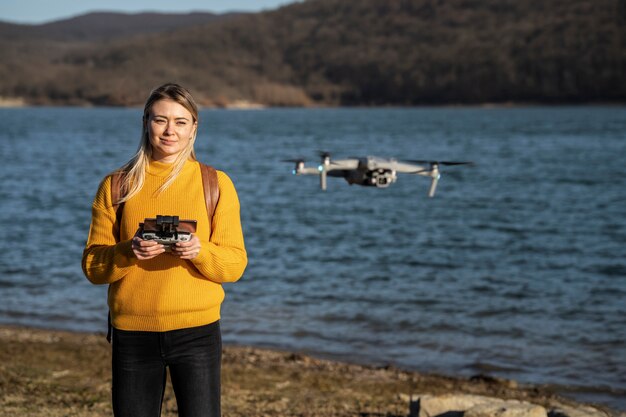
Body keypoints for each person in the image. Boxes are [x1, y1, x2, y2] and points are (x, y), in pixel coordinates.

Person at [82, 83, 247, 417]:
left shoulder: (215, 184)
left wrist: (199, 252)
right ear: (146, 123)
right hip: (132, 333)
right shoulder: (117, 186)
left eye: (180, 122)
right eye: (160, 120)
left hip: (198, 334)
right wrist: (129, 251)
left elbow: (234, 266)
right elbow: (93, 267)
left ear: (193, 128)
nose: (170, 130)